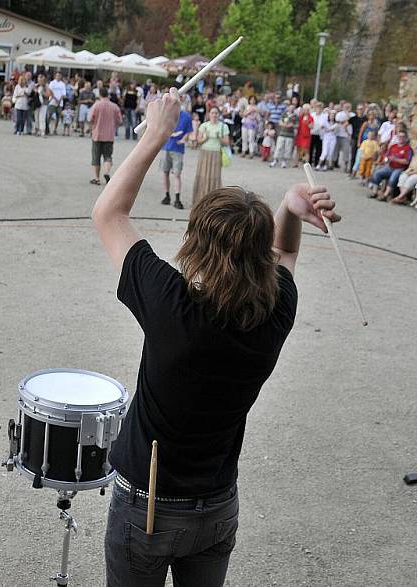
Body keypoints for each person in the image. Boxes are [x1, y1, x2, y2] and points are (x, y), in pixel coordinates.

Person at [91, 86, 341, 587]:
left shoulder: (172, 305)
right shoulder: (274, 312)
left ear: (195, 244)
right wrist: (290, 211)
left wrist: (156, 134)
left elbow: (108, 214)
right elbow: (285, 258)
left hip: (150, 504)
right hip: (216, 507)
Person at [160, 94, 193, 210]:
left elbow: (189, 131)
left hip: (178, 149)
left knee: (177, 174)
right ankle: (167, 195)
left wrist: (184, 139)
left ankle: (177, 198)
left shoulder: (186, 117)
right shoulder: (166, 114)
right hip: (166, 147)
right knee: (165, 172)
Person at [192, 108, 229, 205]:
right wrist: (206, 138)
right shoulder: (204, 125)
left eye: (216, 113)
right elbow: (198, 141)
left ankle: (213, 201)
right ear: (209, 114)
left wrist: (219, 138)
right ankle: (200, 199)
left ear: (219, 115)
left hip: (216, 153)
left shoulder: (223, 126)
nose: (214, 115)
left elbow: (227, 142)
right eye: (212, 113)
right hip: (205, 153)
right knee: (203, 176)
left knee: (214, 177)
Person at [89, 86, 122, 186]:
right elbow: (119, 121)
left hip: (97, 134)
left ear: (99, 94)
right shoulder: (114, 106)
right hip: (109, 135)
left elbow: (90, 119)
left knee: (96, 157)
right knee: (108, 156)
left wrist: (93, 126)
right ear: (107, 94)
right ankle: (107, 172)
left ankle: (97, 178)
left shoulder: (96, 105)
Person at [368, 130, 413, 200]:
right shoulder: (393, 146)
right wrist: (386, 159)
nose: (401, 138)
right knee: (377, 173)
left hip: (400, 168)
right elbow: (387, 156)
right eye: (399, 136)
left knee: (392, 178)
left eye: (403, 136)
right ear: (397, 137)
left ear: (406, 138)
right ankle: (375, 192)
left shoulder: (407, 149)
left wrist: (395, 159)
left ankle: (385, 195)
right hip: (390, 166)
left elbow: (407, 162)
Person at [270, 104, 297, 168]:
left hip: (290, 135)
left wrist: (292, 125)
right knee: (279, 147)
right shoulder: (284, 114)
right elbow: (280, 122)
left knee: (287, 148)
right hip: (282, 133)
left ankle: (284, 161)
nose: (291, 109)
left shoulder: (295, 116)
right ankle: (275, 160)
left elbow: (297, 125)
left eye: (293, 108)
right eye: (290, 108)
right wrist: (283, 124)